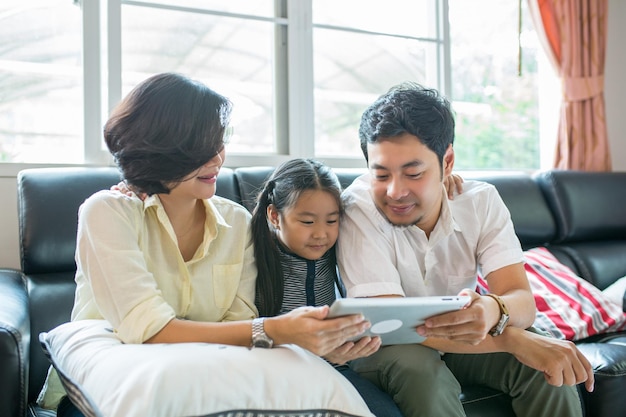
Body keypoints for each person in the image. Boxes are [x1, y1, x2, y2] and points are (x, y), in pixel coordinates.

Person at [38, 72, 371, 416]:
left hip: (207, 383)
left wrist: (319, 347)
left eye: (219, 141)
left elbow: (239, 322)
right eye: (202, 146)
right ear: (161, 147)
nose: (217, 157)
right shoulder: (107, 212)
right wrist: (275, 329)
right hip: (105, 391)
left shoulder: (236, 222)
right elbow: (147, 329)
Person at [336, 82, 595, 417]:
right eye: (381, 174)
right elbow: (394, 322)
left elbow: (521, 298)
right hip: (385, 344)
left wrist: (492, 309)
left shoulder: (480, 201)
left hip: (463, 341)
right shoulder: (357, 209)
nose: (395, 191)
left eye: (413, 173)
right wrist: (509, 339)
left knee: (543, 363)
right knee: (420, 369)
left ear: (448, 162)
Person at [250, 158, 403, 417]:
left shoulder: (342, 244)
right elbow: (244, 333)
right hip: (276, 373)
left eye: (331, 221)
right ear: (275, 215)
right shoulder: (252, 253)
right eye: (307, 222)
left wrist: (442, 182)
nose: (321, 234)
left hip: (335, 367)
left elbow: (380, 204)